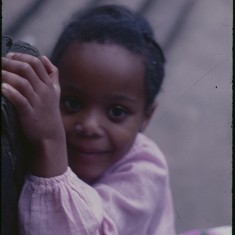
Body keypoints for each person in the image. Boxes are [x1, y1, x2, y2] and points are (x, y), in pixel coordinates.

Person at [1, 4, 176, 235]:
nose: (90, 126)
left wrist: (50, 138)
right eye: (72, 103)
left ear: (146, 116)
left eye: (116, 111)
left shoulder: (146, 172)